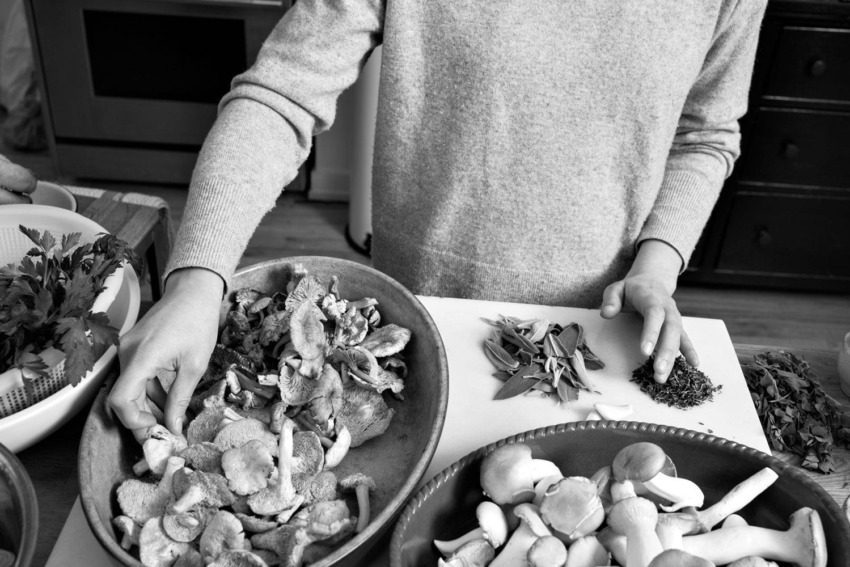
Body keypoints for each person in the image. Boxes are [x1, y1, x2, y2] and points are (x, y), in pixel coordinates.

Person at [103, 0, 768, 441]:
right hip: (417, 327)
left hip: (598, 337)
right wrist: (197, 277)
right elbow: (282, 93)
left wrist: (659, 260)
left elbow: (706, 132)